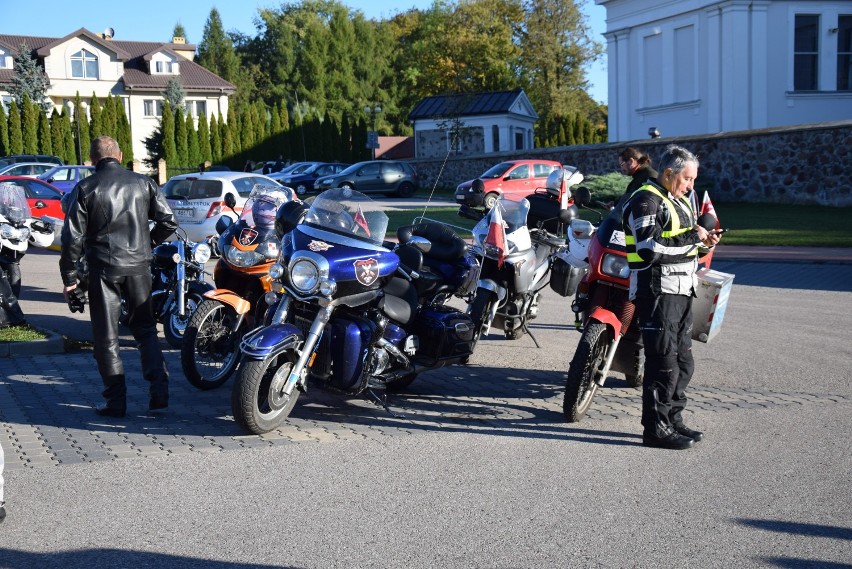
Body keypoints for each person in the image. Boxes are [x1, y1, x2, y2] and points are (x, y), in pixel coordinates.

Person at [60, 136, 177, 418]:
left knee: (106, 337)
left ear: (91, 160)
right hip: (139, 266)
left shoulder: (86, 188)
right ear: (121, 155)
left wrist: (70, 277)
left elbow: (71, 238)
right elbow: (169, 222)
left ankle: (116, 402)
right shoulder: (144, 183)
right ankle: (159, 392)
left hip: (104, 269)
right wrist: (146, 244)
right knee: (146, 329)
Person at [622, 144, 722, 450]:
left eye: (693, 179)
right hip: (656, 292)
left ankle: (673, 420)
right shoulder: (646, 200)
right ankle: (655, 429)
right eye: (688, 179)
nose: (691, 185)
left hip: (681, 291)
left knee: (682, 362)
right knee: (662, 363)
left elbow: (682, 246)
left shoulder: (678, 201)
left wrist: (705, 244)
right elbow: (647, 249)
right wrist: (694, 237)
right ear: (669, 173)